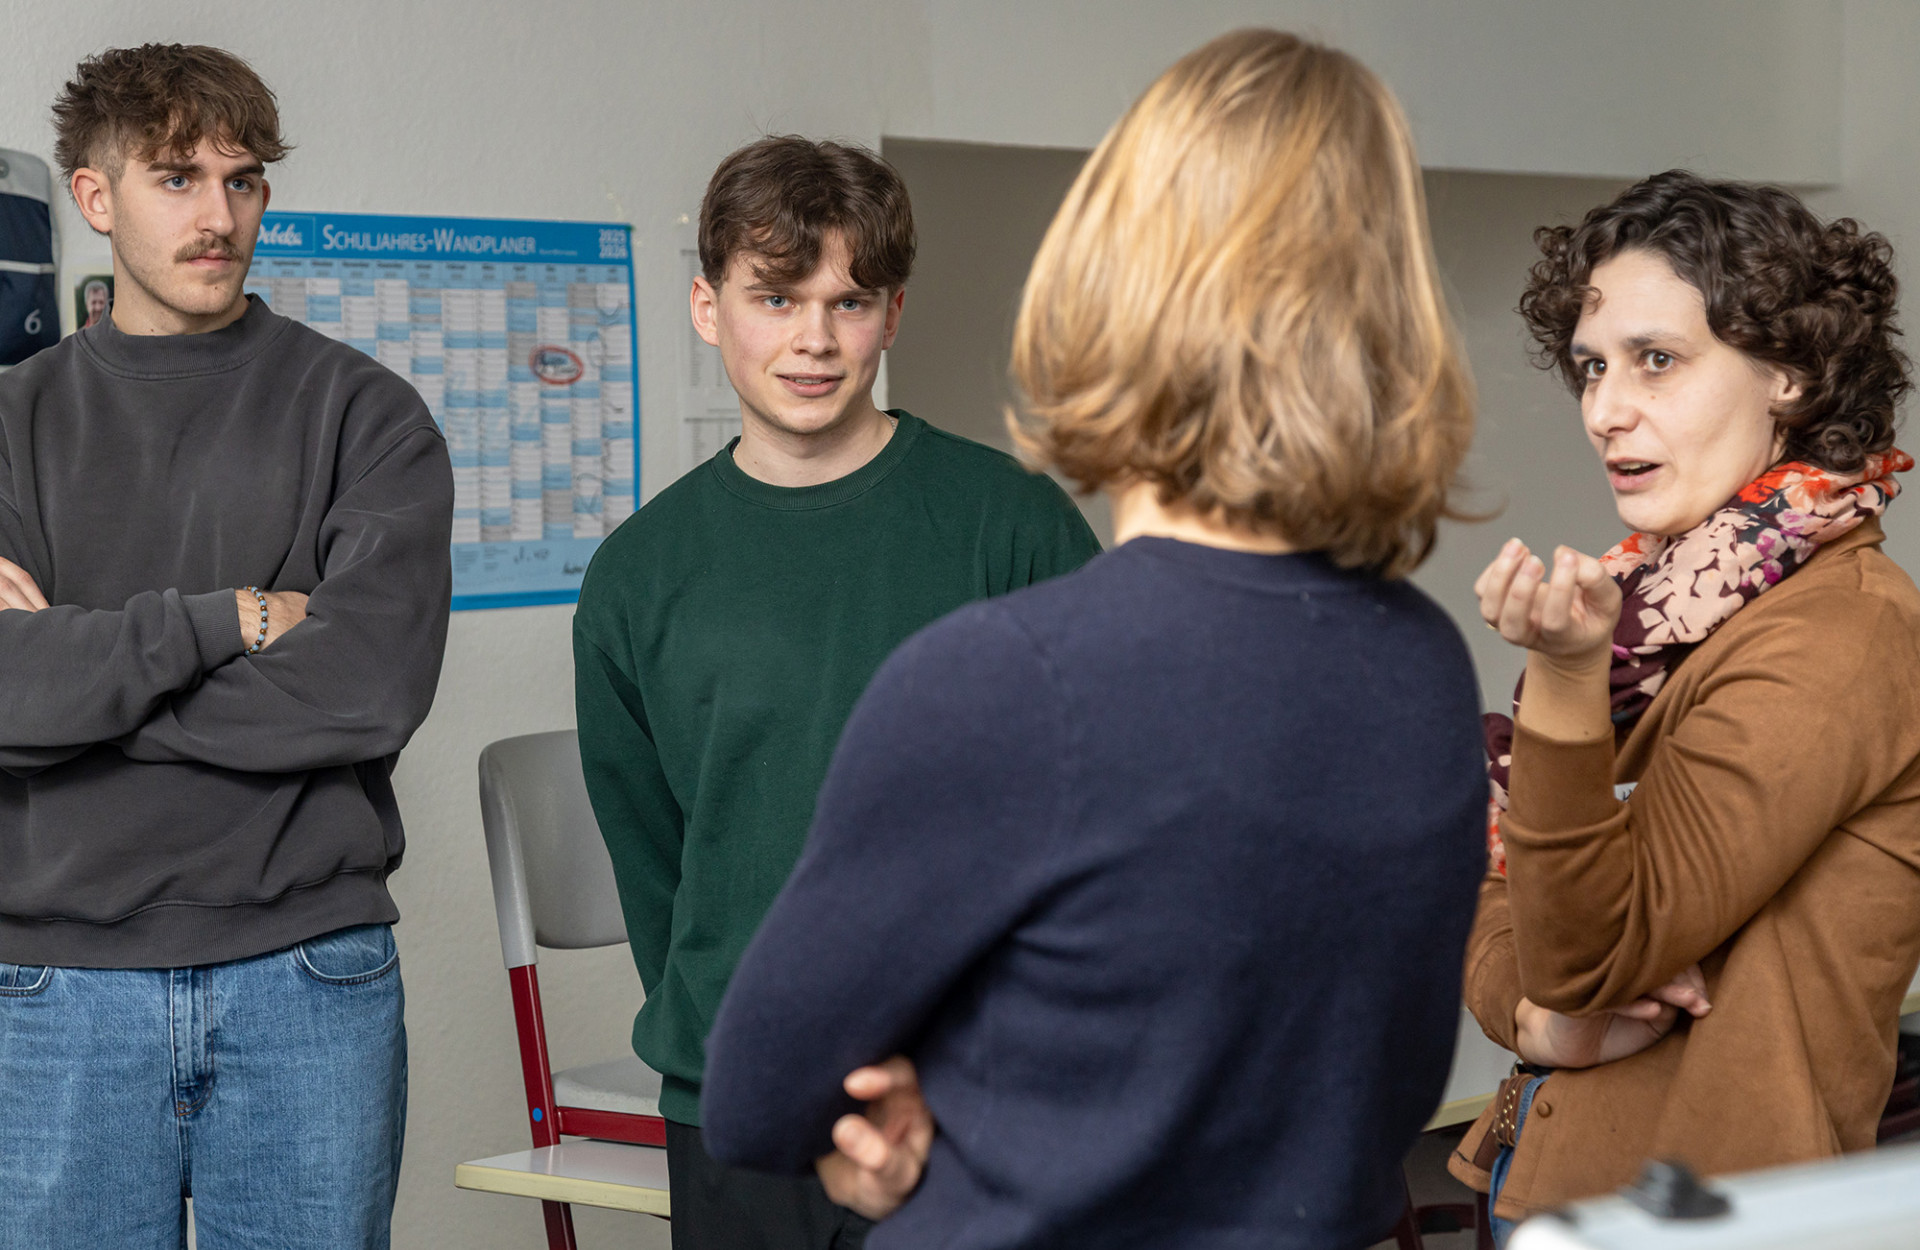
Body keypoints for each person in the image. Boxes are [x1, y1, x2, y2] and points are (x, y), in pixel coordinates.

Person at [698, 30, 1487, 1250]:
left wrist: (933, 1104)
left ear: (1107, 282)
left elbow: (756, 1091)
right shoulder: (1423, 659)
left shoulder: (1006, 676)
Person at [573, 134, 1099, 1250]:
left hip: (981, 1093)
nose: (814, 339)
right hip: (738, 1103)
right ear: (709, 306)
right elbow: (656, 870)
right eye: (775, 297)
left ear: (893, 314)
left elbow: (1101, 816)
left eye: (848, 301)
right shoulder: (637, 576)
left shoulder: (1013, 526)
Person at [0, 45, 453, 1249]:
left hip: (309, 973)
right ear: (94, 199)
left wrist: (81, 684)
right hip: (55, 990)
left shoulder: (367, 415)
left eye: (243, 180)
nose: (220, 215)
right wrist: (232, 622)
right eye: (176, 178)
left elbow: (367, 687)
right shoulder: (11, 422)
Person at [1447, 170, 1920, 1241]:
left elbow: (1588, 951)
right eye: (1592, 367)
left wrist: (1564, 679)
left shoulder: (1839, 630)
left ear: (1789, 374)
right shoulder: (1652, 613)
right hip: (1544, 1182)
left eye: (1657, 361)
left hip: (1707, 1221)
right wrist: (1538, 1024)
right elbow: (1489, 892)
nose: (1607, 410)